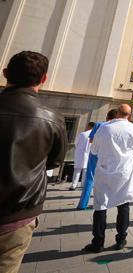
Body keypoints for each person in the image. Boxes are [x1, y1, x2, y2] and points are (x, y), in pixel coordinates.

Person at [0, 51, 67, 273]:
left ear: (5, 73)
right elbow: (55, 161)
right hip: (18, 214)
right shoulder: (52, 117)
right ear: (44, 79)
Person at [83, 104, 133, 253]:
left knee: (100, 206)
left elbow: (94, 150)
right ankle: (121, 239)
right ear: (128, 114)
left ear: (117, 113)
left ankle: (98, 242)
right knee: (123, 205)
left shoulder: (104, 128)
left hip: (105, 171)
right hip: (125, 172)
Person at [76, 109, 118, 210]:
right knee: (106, 180)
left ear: (107, 117)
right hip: (108, 155)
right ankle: (103, 203)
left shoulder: (99, 125)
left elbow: (91, 140)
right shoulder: (116, 127)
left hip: (95, 154)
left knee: (90, 178)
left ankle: (83, 204)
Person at [70, 122, 95, 190]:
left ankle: (74, 185)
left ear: (89, 126)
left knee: (77, 170)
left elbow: (76, 143)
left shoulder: (82, 134)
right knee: (85, 170)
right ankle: (83, 185)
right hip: (89, 154)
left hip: (80, 154)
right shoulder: (94, 135)